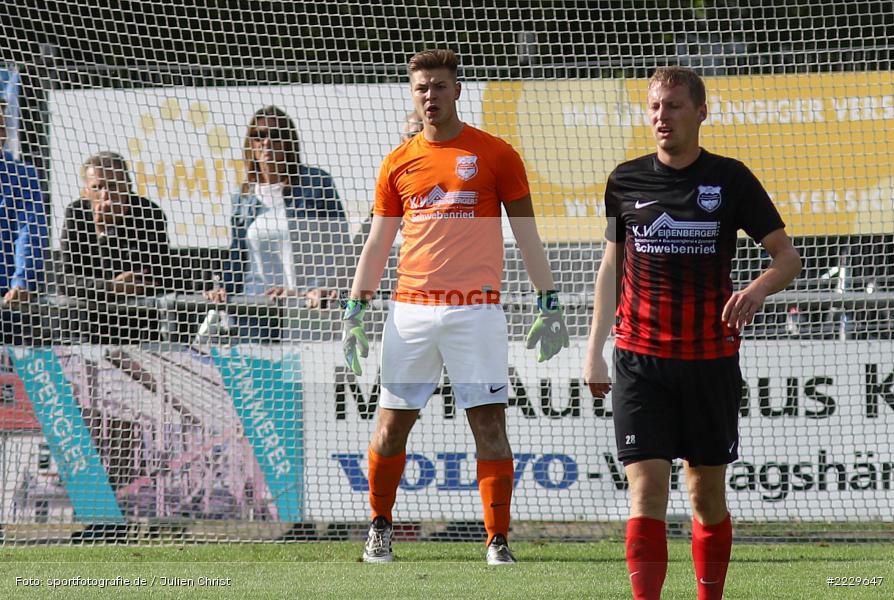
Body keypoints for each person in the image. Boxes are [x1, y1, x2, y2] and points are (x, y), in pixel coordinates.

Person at [342, 49, 569, 565]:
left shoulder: (495, 154)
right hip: (411, 312)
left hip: (476, 312)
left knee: (489, 426)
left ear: (457, 90)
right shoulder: (397, 161)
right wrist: (355, 309)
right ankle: (379, 527)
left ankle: (497, 540)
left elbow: (527, 234)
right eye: (422, 88)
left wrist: (548, 300)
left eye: (440, 86)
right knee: (390, 426)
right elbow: (378, 244)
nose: (431, 96)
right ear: (412, 93)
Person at [583, 66, 802, 600]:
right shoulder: (625, 179)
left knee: (706, 496)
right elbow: (612, 267)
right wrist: (595, 351)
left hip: (709, 360)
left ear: (701, 113)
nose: (663, 117)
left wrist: (755, 291)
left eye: (675, 106)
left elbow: (787, 259)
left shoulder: (731, 179)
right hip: (640, 358)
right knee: (646, 488)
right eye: (656, 107)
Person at [204, 106, 347, 339]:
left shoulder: (316, 183)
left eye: (276, 134)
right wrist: (223, 287)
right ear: (251, 143)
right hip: (255, 308)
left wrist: (321, 285)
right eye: (259, 135)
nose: (267, 141)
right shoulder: (244, 196)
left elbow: (339, 245)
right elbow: (238, 254)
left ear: (289, 142)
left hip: (306, 305)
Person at [60, 151, 173, 343]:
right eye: (97, 187)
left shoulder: (149, 214)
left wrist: (111, 232)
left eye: (112, 186)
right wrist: (102, 232)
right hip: (90, 327)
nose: (105, 195)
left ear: (128, 187)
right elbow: (67, 280)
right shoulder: (76, 215)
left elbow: (148, 274)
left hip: (140, 326)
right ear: (86, 191)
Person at [0, 100, 47, 345]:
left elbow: (30, 230)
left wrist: (22, 279)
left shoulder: (21, 175)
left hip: (9, 306)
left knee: (18, 379)